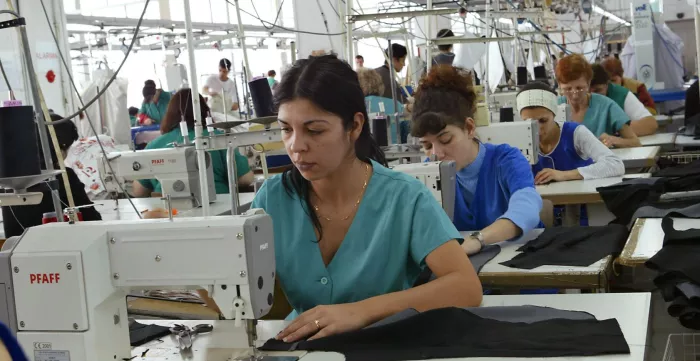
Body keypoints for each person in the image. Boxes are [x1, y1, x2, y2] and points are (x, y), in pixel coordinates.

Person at [212, 55, 482, 342]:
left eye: (314, 130)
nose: (296, 146)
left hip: (384, 348)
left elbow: (466, 286)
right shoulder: (272, 199)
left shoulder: (404, 198)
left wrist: (362, 311)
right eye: (286, 129)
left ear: (354, 126)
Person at [411, 65, 542, 254]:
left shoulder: (506, 160)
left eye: (445, 139)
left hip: (526, 265)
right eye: (427, 145)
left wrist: (478, 240)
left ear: (469, 128)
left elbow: (527, 207)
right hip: (469, 274)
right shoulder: (428, 175)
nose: (436, 154)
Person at [131, 89, 253, 198]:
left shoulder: (154, 145)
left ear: (169, 114)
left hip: (169, 213)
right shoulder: (218, 139)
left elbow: (139, 191)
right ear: (205, 110)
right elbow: (244, 179)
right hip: (219, 209)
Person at [2, 115, 102, 238]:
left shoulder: (8, 178)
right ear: (61, 147)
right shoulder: (64, 177)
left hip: (14, 250)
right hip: (53, 249)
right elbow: (92, 218)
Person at [517, 81, 624, 185]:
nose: (538, 130)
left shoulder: (575, 133)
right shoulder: (518, 139)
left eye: (543, 121)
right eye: (529, 123)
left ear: (554, 114)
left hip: (581, 200)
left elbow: (615, 164)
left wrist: (564, 175)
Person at [555, 54, 641, 148]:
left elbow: (635, 142)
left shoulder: (605, 106)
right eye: (567, 89)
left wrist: (613, 140)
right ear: (559, 85)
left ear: (588, 83)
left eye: (580, 88)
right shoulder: (554, 107)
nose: (575, 95)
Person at [590, 64, 658, 136]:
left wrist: (619, 129)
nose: (592, 96)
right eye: (587, 92)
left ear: (607, 85)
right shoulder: (579, 98)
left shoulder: (622, 95)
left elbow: (651, 124)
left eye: (598, 91)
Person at [357, 67, 408, 143]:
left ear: (360, 86)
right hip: (396, 151)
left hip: (369, 151)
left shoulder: (358, 106)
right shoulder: (396, 104)